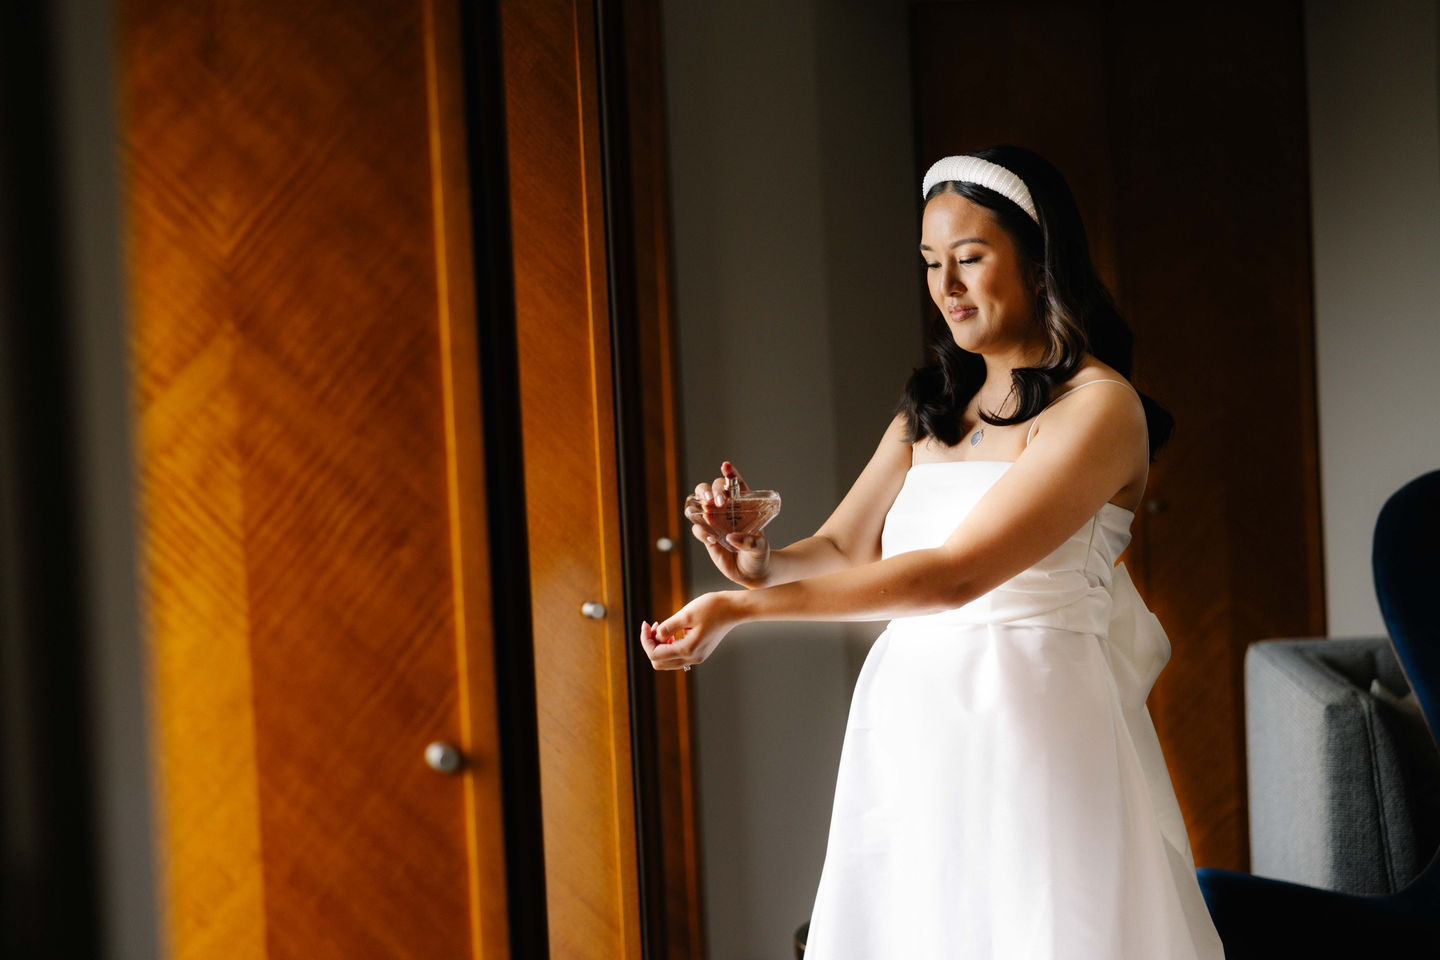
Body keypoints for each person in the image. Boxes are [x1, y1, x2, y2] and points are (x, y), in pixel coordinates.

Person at [638, 145, 1226, 959]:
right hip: (910, 723)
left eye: (970, 260)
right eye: (929, 263)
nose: (944, 288)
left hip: (1034, 723)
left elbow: (953, 577)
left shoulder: (1100, 408)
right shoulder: (934, 411)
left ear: (1040, 261)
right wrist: (760, 561)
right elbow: (846, 547)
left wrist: (744, 608)